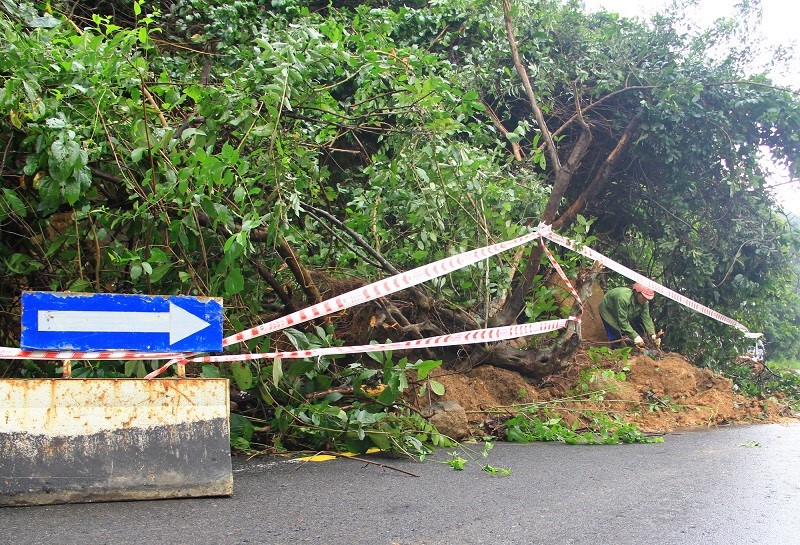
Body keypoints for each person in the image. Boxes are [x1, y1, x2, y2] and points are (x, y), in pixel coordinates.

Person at [598, 283, 659, 349]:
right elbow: (623, 321)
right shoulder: (624, 298)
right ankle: (613, 350)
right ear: (636, 292)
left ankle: (622, 344)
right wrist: (635, 336)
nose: (645, 300)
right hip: (608, 310)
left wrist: (653, 334)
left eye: (647, 298)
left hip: (621, 312)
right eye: (643, 297)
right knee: (614, 333)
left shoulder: (644, 302)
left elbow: (646, 317)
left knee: (626, 329)